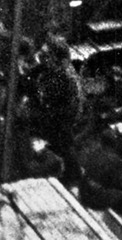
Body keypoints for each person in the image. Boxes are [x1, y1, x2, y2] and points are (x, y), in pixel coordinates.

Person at [33, 37, 87, 188]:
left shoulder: (65, 76)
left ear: (56, 58)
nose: (42, 56)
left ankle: (74, 175)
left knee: (64, 143)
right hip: (55, 111)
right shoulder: (52, 70)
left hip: (63, 115)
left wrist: (50, 113)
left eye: (46, 54)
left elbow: (71, 104)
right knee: (58, 143)